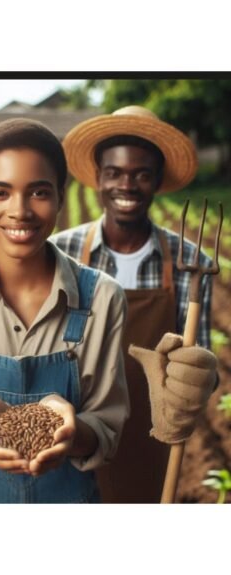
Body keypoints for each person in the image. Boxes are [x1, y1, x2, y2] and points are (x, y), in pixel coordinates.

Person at [0, 118, 130, 503]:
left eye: (38, 193)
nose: (19, 211)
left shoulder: (102, 298)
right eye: (0, 193)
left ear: (61, 198)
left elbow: (105, 431)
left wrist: (69, 431)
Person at [51, 105, 219, 502]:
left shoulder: (191, 266)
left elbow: (204, 368)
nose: (126, 186)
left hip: (150, 437)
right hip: (73, 432)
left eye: (141, 174)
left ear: (157, 181)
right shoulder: (61, 253)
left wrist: (197, 382)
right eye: (115, 173)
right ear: (98, 178)